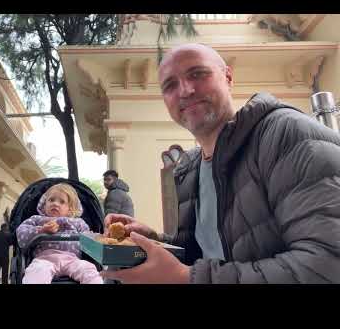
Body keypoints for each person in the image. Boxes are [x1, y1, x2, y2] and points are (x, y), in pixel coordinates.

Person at [101, 43, 340, 284]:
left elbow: (328, 264)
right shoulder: (190, 168)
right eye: (170, 85)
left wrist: (186, 279)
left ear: (228, 77)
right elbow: (206, 254)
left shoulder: (287, 135)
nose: (185, 90)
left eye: (197, 74)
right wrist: (156, 241)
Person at [16, 183, 103, 284]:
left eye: (62, 202)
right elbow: (21, 234)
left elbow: (89, 239)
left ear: (70, 209)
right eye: (51, 200)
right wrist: (41, 230)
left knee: (89, 270)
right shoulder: (37, 219)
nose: (55, 204)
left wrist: (100, 239)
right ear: (44, 205)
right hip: (44, 259)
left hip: (72, 259)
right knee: (36, 271)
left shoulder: (78, 222)